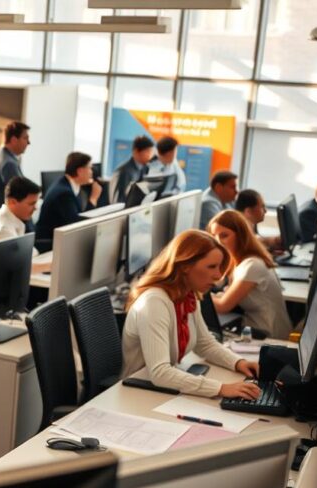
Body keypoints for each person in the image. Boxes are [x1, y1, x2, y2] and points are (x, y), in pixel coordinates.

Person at [122, 229, 261, 398]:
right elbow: (160, 372)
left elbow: (205, 343)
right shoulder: (154, 302)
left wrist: (238, 362)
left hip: (163, 390)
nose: (218, 276)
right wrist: (221, 388)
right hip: (138, 393)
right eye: (211, 267)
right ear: (185, 266)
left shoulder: (187, 296)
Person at [207, 210, 291, 340]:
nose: (217, 242)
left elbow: (224, 305)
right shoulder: (238, 260)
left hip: (268, 334)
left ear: (240, 236)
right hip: (254, 326)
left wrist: (196, 295)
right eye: (214, 236)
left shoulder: (252, 265)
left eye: (224, 235)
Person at [0, 177, 50, 274]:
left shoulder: (10, 218)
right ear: (12, 202)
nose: (35, 208)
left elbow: (31, 253)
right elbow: (17, 268)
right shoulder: (2, 229)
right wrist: (50, 266)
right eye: (31, 204)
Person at [34, 152, 103, 251]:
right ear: (80, 171)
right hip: (50, 245)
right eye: (89, 168)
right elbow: (77, 226)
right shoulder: (64, 194)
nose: (91, 172)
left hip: (59, 240)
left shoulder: (68, 184)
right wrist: (93, 198)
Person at [109, 135, 154, 205]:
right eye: (148, 151)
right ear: (136, 151)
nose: (150, 155)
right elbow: (117, 202)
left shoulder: (145, 168)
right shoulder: (123, 172)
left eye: (151, 152)